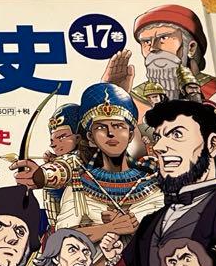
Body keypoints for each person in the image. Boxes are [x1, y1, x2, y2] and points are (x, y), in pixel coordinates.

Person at [115, 100, 216, 266]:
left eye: (176, 135)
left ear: (212, 145)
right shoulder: (150, 223)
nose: (159, 147)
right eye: (158, 137)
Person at [12, 83, 159, 240]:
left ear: (130, 135)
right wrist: (109, 228)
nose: (110, 133)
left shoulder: (152, 181)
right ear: (90, 138)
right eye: (101, 127)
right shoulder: (79, 185)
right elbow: (61, 238)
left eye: (118, 126)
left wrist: (135, 228)